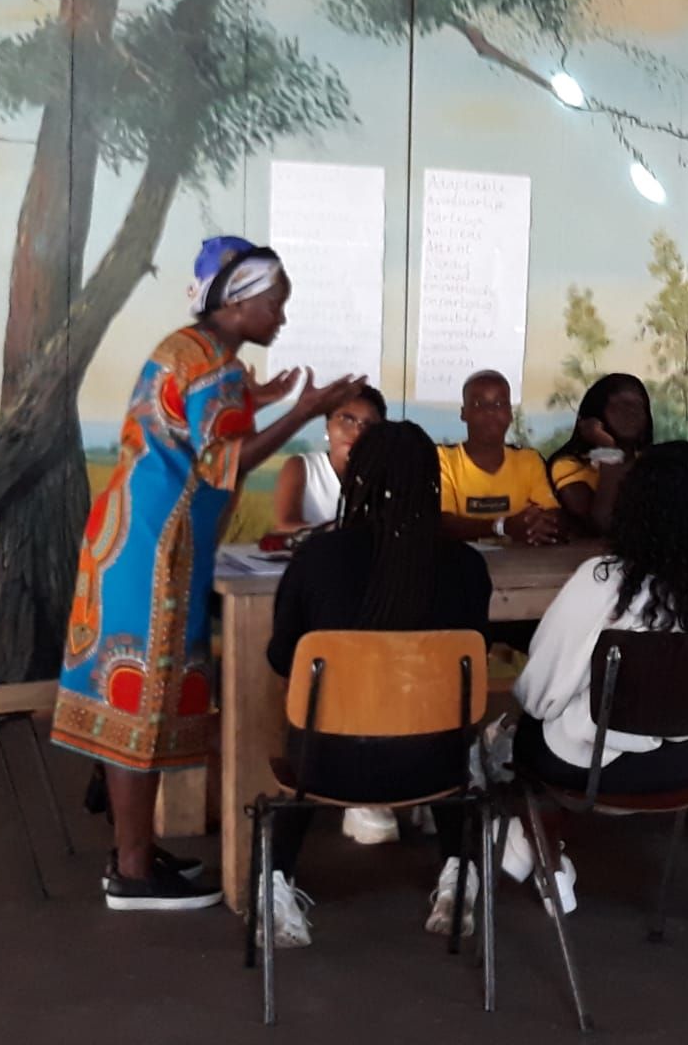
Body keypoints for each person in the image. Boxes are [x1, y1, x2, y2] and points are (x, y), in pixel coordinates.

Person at [52, 235, 365, 911]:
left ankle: (133, 854)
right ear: (239, 300)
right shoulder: (216, 367)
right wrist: (303, 411)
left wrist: (263, 394)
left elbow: (193, 425)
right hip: (159, 550)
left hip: (127, 538)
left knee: (132, 699)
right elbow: (225, 460)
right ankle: (133, 874)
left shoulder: (190, 350)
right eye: (275, 303)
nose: (281, 317)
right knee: (142, 702)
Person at [263, 421, 494, 946]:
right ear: (433, 484)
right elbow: (467, 676)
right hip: (434, 766)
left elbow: (283, 659)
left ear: (358, 482)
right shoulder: (466, 567)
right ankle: (459, 869)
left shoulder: (318, 558)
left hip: (326, 768)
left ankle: (275, 881)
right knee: (446, 728)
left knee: (307, 729)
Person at [513, 442, 688, 908]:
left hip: (594, 771)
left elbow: (539, 696)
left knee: (519, 737)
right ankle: (526, 844)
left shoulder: (602, 581)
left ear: (636, 505)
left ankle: (544, 856)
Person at [439, 370, 564, 545]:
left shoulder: (528, 460)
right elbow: (444, 523)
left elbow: (553, 513)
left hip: (520, 565)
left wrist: (538, 524)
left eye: (499, 404)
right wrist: (502, 526)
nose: (490, 411)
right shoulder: (443, 459)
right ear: (463, 413)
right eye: (478, 404)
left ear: (510, 414)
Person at [546, 373, 653, 536]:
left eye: (639, 406)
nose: (631, 413)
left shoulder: (650, 463)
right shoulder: (569, 465)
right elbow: (604, 523)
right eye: (620, 406)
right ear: (596, 413)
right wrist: (607, 449)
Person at [270, 385, 387, 531]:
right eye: (347, 419)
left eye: (368, 425)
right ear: (328, 425)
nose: (357, 431)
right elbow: (285, 524)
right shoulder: (302, 467)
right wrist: (339, 534)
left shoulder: (387, 475)